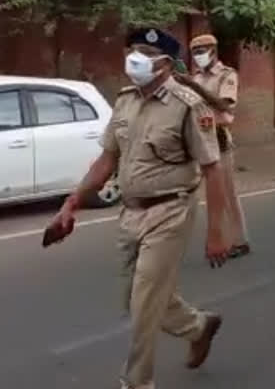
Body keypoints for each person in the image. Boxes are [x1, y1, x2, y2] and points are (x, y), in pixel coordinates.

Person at [44, 28, 231, 389]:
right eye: (133, 50)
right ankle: (199, 326)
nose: (135, 59)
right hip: (130, 213)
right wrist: (71, 204)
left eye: (145, 52)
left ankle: (136, 382)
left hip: (170, 211)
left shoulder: (188, 106)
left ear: (164, 63)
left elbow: (213, 169)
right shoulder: (126, 101)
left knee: (144, 305)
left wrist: (217, 232)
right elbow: (106, 160)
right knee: (136, 299)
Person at [175, 34, 250, 258]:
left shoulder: (227, 75)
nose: (199, 56)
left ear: (214, 51)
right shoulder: (195, 77)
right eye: (195, 52)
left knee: (226, 192)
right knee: (184, 190)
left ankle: (239, 240)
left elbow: (224, 106)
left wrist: (192, 87)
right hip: (194, 136)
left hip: (217, 136)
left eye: (203, 51)